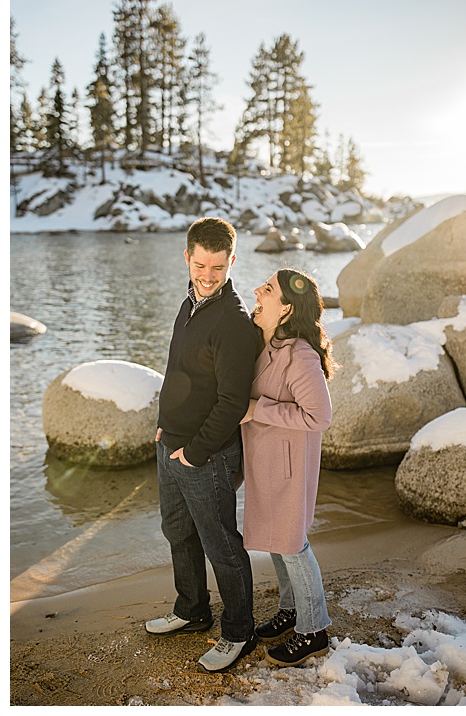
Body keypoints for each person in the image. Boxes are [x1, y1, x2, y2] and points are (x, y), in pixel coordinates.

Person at [146, 216, 263, 673]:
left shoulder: (232, 323)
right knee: (177, 531)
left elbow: (233, 402)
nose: (208, 276)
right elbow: (179, 369)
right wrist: (163, 423)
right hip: (170, 444)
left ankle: (239, 631)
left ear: (232, 261)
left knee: (222, 545)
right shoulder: (189, 302)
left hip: (205, 455)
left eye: (218, 267)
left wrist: (194, 452)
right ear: (187, 257)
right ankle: (192, 610)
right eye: (200, 265)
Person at [240, 269, 337, 666]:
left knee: (293, 544)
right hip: (265, 462)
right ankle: (291, 609)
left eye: (268, 289)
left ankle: (313, 630)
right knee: (279, 542)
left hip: (289, 466)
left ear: (286, 308)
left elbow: (320, 416)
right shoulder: (268, 344)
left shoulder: (300, 354)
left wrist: (255, 409)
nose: (257, 291)